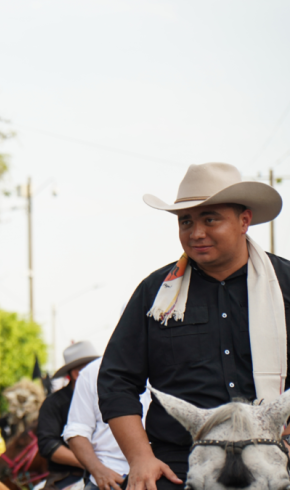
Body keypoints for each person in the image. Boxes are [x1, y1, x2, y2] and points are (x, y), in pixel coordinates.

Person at [98, 162, 290, 490]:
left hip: (275, 453)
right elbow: (117, 380)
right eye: (185, 221)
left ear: (244, 220)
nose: (196, 232)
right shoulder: (155, 292)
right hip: (180, 462)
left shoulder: (285, 284)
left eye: (210, 219)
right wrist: (140, 458)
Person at [63, 358, 150, 490]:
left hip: (160, 474)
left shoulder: (168, 367)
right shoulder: (92, 372)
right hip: (110, 478)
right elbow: (76, 432)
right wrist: (99, 471)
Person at [37, 341, 98, 489]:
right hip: (67, 476)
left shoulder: (109, 397)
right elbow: (48, 445)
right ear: (77, 373)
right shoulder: (53, 403)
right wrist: (93, 464)